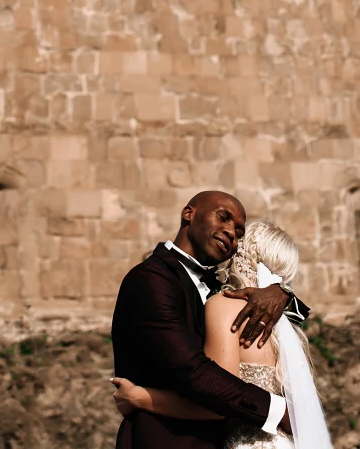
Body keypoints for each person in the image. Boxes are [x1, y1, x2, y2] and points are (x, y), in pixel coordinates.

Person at [111, 191, 311, 449]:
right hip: (166, 439)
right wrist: (280, 411)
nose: (231, 233)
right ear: (188, 213)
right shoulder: (151, 279)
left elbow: (301, 312)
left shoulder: (223, 292)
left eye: (239, 233)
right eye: (223, 217)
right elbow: (194, 374)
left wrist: (281, 292)